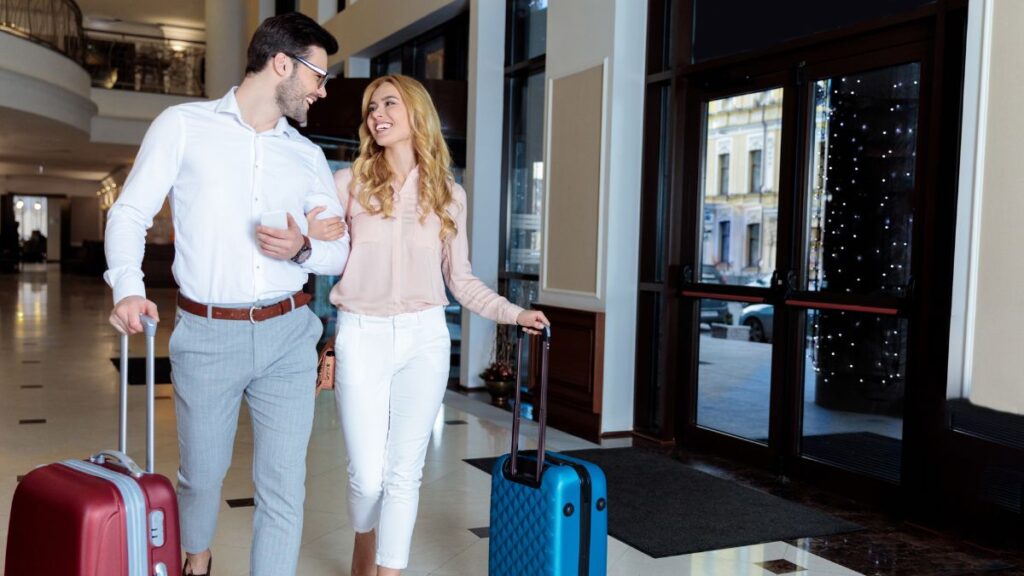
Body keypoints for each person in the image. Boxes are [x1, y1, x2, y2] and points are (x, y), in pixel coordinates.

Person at [104, 13, 349, 576]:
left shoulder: (306, 156)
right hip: (208, 332)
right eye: (318, 75)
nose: (322, 89)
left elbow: (338, 251)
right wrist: (127, 287)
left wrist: (304, 248)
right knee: (201, 475)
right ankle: (198, 555)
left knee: (284, 484)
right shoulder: (184, 125)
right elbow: (131, 211)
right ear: (282, 64)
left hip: (290, 333)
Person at [307, 74, 549, 576]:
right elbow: (320, 257)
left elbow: (460, 280)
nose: (377, 115)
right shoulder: (347, 184)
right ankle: (364, 539)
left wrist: (515, 313)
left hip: (424, 338)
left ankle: (387, 571)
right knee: (366, 478)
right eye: (372, 107)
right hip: (361, 333)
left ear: (417, 113)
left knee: (404, 474)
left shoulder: (448, 195)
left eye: (389, 103)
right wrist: (310, 233)